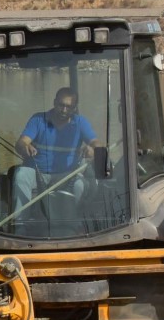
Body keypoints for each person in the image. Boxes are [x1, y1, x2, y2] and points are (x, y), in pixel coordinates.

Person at [11, 88, 98, 231]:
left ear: (74, 108)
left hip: (67, 175)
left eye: (68, 107)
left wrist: (94, 149)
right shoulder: (38, 119)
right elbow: (21, 143)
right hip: (37, 173)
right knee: (21, 175)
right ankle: (20, 224)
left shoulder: (80, 123)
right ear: (54, 103)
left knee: (80, 185)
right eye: (61, 105)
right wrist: (25, 147)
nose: (64, 109)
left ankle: (71, 224)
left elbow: (96, 142)